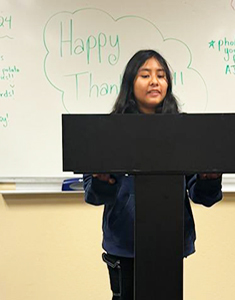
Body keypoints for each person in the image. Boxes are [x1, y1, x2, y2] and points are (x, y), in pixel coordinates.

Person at [83, 49, 222, 300]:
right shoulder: (108, 131)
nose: (155, 81)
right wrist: (102, 182)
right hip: (124, 244)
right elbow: (93, 195)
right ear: (130, 83)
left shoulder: (185, 131)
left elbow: (202, 195)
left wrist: (208, 180)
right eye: (145, 75)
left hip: (169, 242)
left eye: (161, 75)